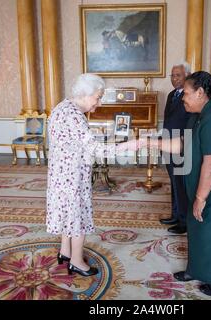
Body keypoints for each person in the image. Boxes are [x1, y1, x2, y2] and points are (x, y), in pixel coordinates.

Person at [144, 71, 211, 296]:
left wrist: (200, 198)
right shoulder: (199, 113)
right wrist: (147, 143)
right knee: (199, 229)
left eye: (186, 93)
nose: (182, 97)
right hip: (207, 185)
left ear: (201, 93)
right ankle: (198, 269)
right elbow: (183, 144)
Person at [46, 73, 134, 277]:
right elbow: (97, 150)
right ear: (85, 95)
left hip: (60, 174)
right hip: (73, 176)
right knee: (77, 215)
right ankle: (76, 261)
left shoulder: (62, 107)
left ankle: (65, 252)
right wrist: (126, 146)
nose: (99, 102)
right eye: (98, 97)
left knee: (68, 212)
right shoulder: (76, 117)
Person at [160, 62, 191, 234]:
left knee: (181, 182)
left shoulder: (190, 95)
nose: (174, 78)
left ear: (187, 76)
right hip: (167, 144)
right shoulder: (172, 94)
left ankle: (184, 220)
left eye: (178, 75)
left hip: (181, 144)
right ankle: (175, 214)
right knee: (173, 180)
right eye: (172, 75)